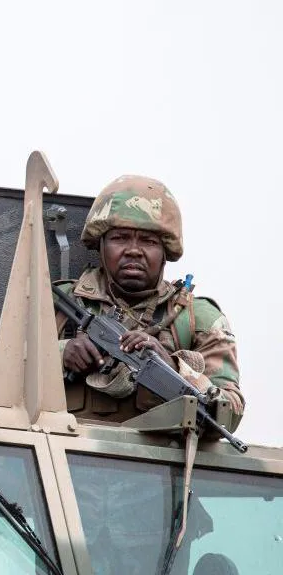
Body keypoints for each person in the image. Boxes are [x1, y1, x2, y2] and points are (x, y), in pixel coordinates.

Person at [57, 175, 243, 427]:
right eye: (120, 238)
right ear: (100, 245)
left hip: (157, 453)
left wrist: (173, 368)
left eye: (148, 241)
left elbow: (230, 413)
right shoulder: (57, 303)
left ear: (165, 251)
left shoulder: (198, 319)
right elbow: (1, 372)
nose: (134, 250)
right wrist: (60, 353)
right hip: (61, 448)